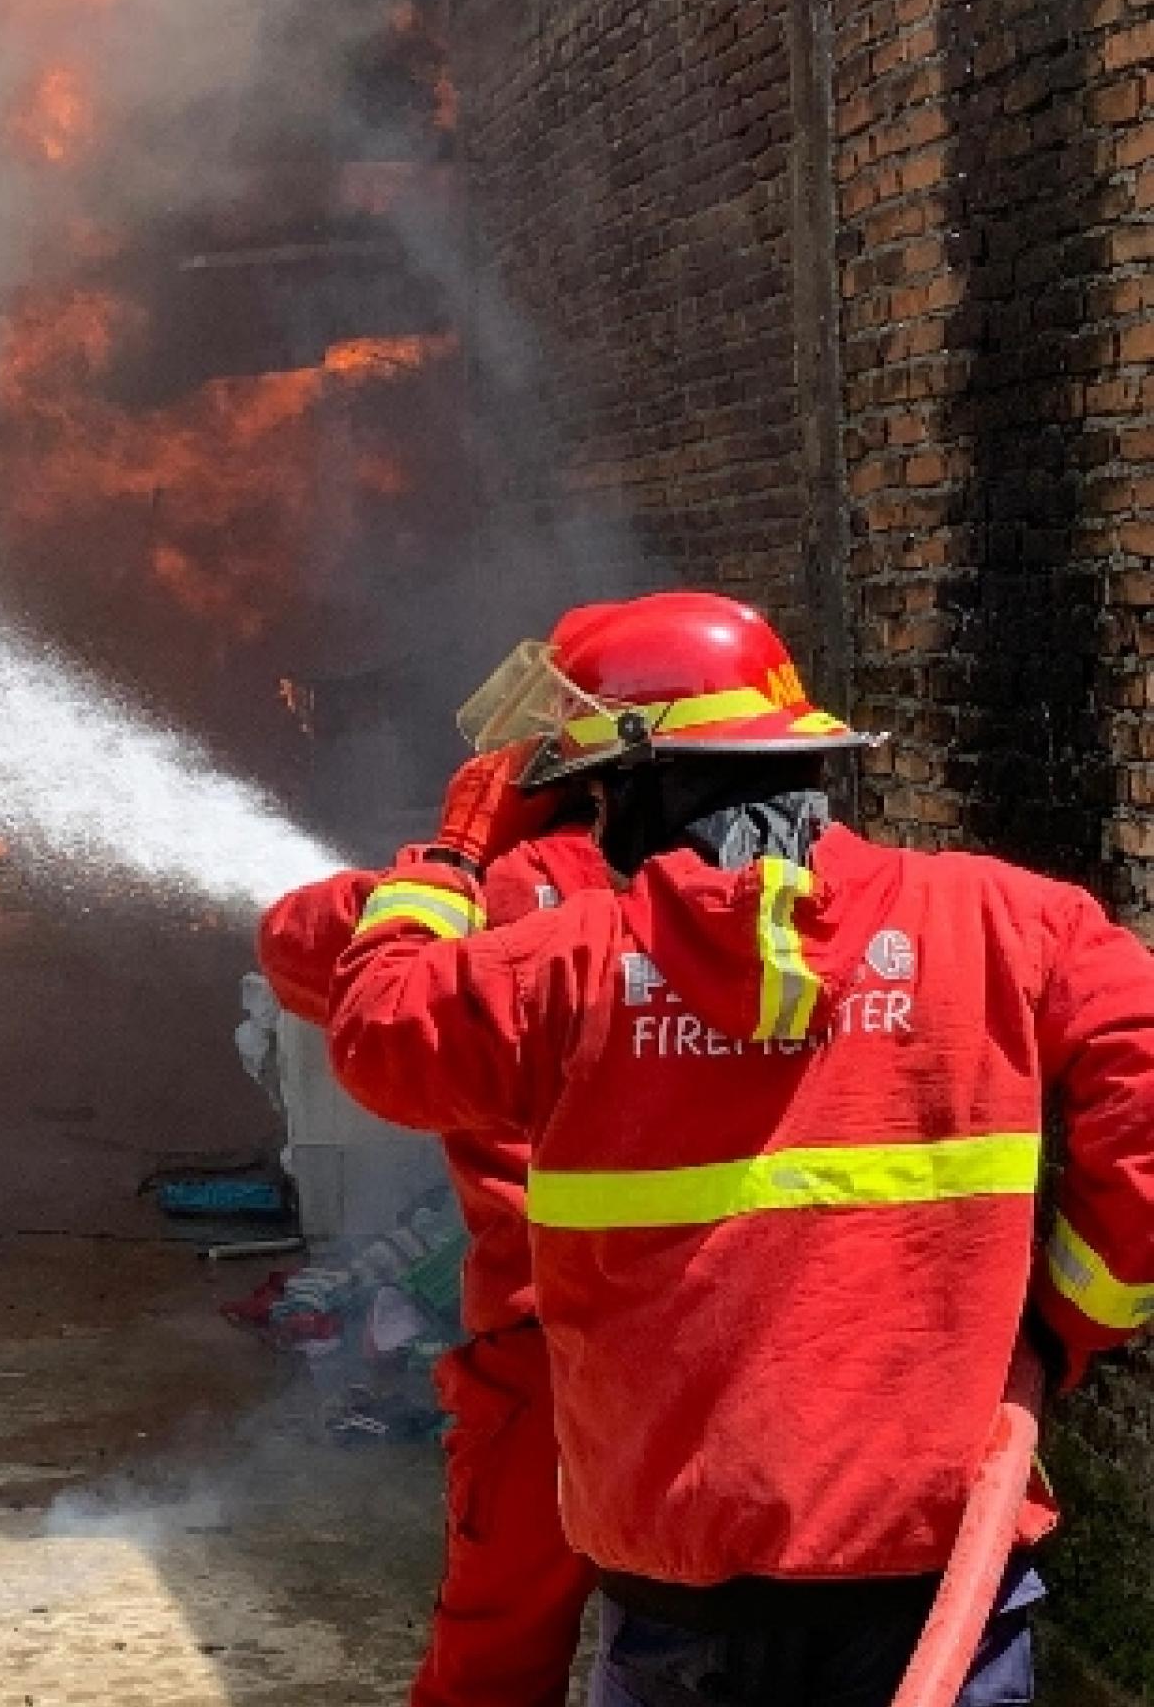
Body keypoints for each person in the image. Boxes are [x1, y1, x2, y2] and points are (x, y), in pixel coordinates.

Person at [328, 591, 1154, 1706]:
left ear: (650, 779)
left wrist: (450, 854)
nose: (589, 817)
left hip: (680, 1583)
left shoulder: (564, 965)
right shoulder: (1012, 923)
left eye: (596, 788)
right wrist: (1066, 1325)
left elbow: (381, 1030)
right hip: (932, 1564)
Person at [261, 817, 605, 1707]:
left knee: (497, 1654)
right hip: (728, 1331)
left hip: (545, 1351)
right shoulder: (766, 904)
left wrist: (447, 855)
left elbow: (299, 946)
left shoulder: (495, 896)